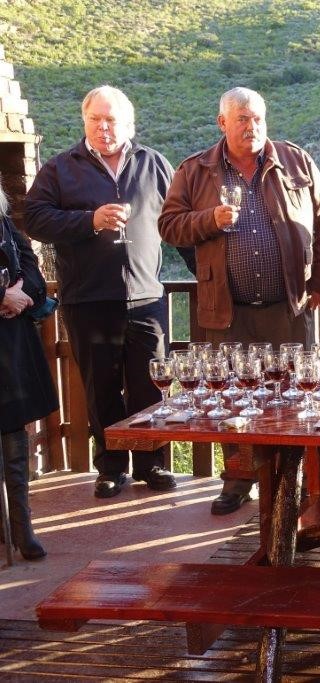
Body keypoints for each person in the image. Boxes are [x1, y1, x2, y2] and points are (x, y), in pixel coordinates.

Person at [159, 87, 320, 515]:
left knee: (294, 398)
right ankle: (239, 481)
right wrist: (209, 219)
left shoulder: (296, 161)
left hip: (289, 309)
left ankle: (292, 484)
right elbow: (169, 225)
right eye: (242, 119)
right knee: (231, 399)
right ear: (222, 123)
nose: (252, 126)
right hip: (228, 313)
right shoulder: (195, 170)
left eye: (258, 118)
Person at [24, 85, 176, 499]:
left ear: (129, 124)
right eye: (96, 119)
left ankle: (151, 464)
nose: (103, 127)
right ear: (84, 121)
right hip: (88, 299)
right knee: (101, 389)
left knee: (150, 387)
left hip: (146, 298)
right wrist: (89, 221)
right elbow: (34, 219)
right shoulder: (60, 168)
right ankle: (111, 467)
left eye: (111, 120)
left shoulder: (154, 163)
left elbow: (179, 221)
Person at [0, 181, 57, 560]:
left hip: (10, 342)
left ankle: (22, 528)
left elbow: (32, 271)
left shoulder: (4, 224)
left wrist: (21, 296)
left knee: (13, 436)